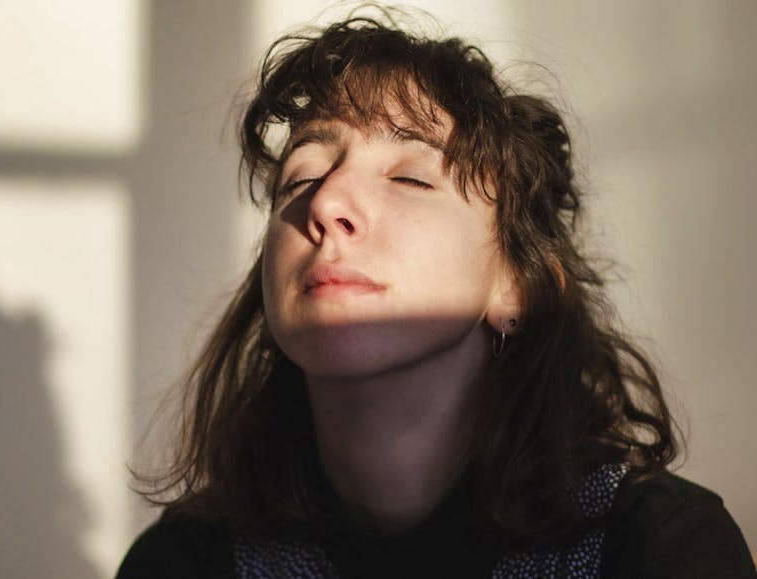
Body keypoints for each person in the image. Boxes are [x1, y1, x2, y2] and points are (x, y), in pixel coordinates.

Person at [118, 9, 756, 578]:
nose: (328, 201)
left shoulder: (656, 548)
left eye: (410, 179)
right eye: (301, 177)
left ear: (517, 286)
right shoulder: (184, 562)